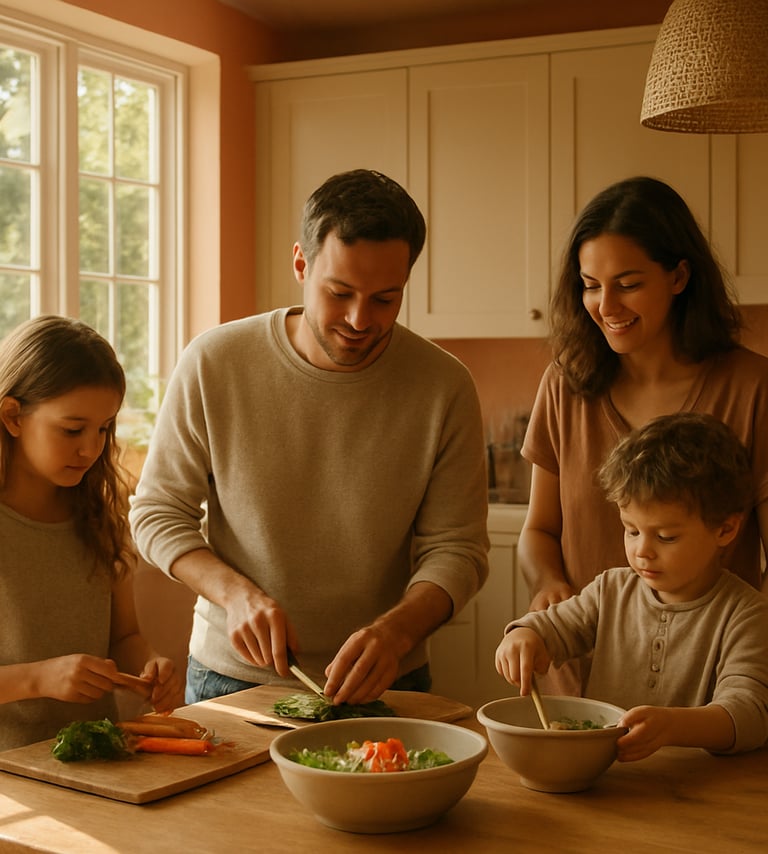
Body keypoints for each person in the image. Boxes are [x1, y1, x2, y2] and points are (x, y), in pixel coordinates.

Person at [129, 168, 490, 707]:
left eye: (385, 299)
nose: (359, 319)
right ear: (301, 262)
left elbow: (458, 550)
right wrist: (235, 595)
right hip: (233, 678)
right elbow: (156, 512)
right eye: (339, 292)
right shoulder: (214, 361)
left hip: (388, 678)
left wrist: (396, 632)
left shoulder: (444, 385)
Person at [519, 175, 768, 695]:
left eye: (628, 284)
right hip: (577, 691)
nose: (606, 306)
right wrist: (548, 584)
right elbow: (539, 531)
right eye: (590, 285)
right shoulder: (565, 386)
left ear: (679, 277)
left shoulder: (752, 388)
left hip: (704, 701)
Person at [497, 413, 768, 761]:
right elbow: (552, 627)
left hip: (694, 794)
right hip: (603, 779)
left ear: (725, 530)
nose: (642, 550)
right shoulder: (610, 590)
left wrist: (673, 726)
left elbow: (750, 715)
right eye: (632, 530)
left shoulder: (745, 615)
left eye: (666, 536)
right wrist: (523, 636)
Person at [0, 316, 183, 751]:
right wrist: (38, 678)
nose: (91, 448)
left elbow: (123, 638)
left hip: (99, 764)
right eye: (71, 429)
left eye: (104, 428)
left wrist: (151, 666)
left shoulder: (101, 517)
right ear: (12, 417)